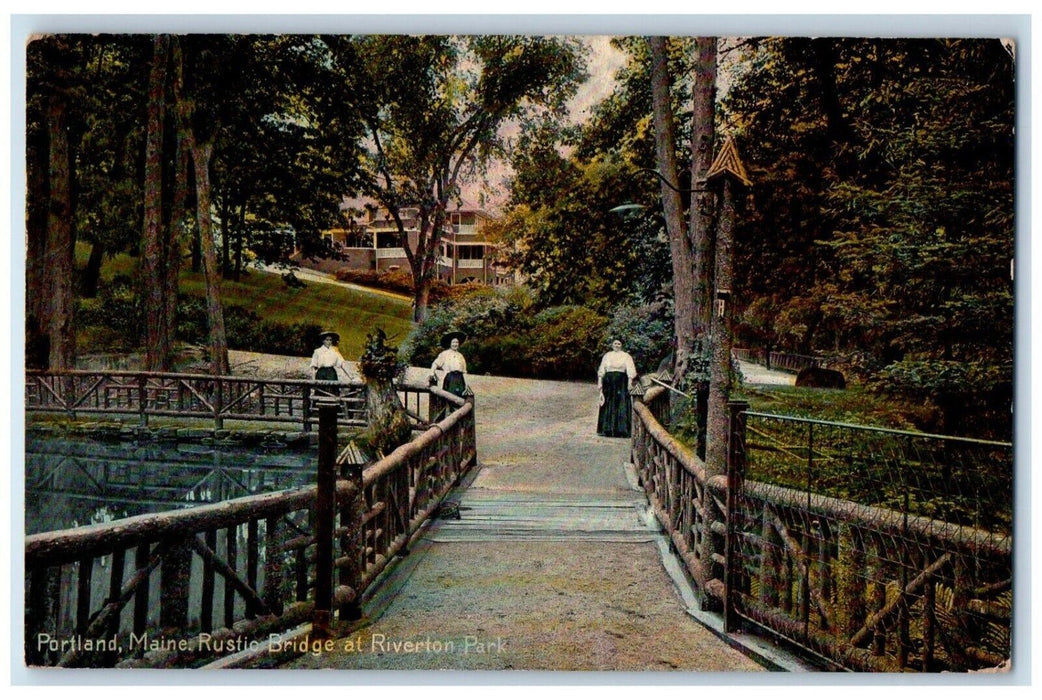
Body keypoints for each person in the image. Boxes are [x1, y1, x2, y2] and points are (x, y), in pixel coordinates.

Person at [597, 338, 638, 438]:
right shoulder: (607, 356)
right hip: (609, 383)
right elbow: (602, 370)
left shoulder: (626, 356)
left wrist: (630, 382)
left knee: (621, 404)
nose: (617, 345)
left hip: (621, 383)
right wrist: (600, 383)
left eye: (619, 344)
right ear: (612, 345)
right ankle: (607, 429)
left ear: (621, 345)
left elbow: (630, 370)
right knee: (608, 403)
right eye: (615, 343)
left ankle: (621, 430)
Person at [430, 331, 468, 398]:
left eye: (457, 342)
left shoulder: (461, 356)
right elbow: (435, 364)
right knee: (450, 397)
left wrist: (466, 384)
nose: (455, 344)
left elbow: (464, 372)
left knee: (460, 397)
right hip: (449, 378)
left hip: (460, 379)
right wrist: (432, 373)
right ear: (450, 344)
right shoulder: (444, 354)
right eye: (453, 342)